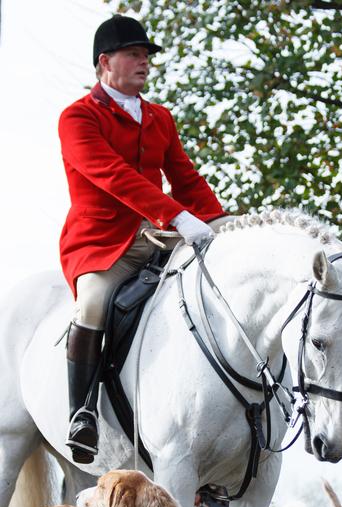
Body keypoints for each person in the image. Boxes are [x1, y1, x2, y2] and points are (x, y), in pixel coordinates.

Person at [59, 15, 229, 464]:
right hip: (101, 243)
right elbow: (113, 177)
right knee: (93, 303)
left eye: (146, 56)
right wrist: (177, 216)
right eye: (134, 54)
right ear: (105, 62)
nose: (144, 63)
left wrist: (223, 224)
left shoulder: (159, 118)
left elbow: (188, 181)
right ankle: (82, 414)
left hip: (156, 234)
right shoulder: (77, 118)